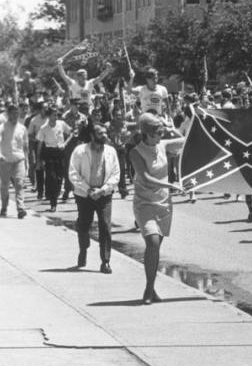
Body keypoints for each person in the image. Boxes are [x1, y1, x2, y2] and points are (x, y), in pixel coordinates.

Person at [129, 113, 185, 303]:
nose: (161, 136)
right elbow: (145, 178)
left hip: (163, 204)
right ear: (147, 133)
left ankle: (151, 288)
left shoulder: (162, 145)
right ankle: (148, 290)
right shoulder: (136, 152)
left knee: (156, 248)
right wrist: (172, 185)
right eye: (157, 133)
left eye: (162, 132)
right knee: (152, 242)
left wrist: (174, 128)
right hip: (144, 203)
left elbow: (186, 140)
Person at [69, 123, 120, 272]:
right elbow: (73, 173)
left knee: (105, 226)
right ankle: (83, 250)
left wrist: (103, 190)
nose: (104, 136)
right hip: (85, 195)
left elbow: (115, 174)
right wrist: (88, 189)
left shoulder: (111, 151)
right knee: (84, 225)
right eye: (100, 133)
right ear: (92, 135)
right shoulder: (80, 151)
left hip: (104, 195)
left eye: (105, 133)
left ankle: (105, 261)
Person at [0, 103, 29, 219]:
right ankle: (4, 207)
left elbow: (25, 145)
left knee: (19, 183)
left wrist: (27, 160)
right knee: (4, 186)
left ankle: (21, 208)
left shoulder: (22, 128)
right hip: (5, 160)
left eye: (17, 113)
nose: (15, 116)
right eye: (13, 113)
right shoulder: (1, 128)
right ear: (8, 114)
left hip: (19, 159)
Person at [36, 105, 71, 213]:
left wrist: (65, 143)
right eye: (53, 115)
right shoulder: (44, 128)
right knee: (51, 177)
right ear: (48, 116)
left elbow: (71, 133)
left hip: (60, 152)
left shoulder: (61, 124)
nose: (55, 117)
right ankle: (53, 202)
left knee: (60, 178)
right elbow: (40, 144)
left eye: (56, 115)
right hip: (49, 152)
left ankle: (55, 194)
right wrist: (38, 159)